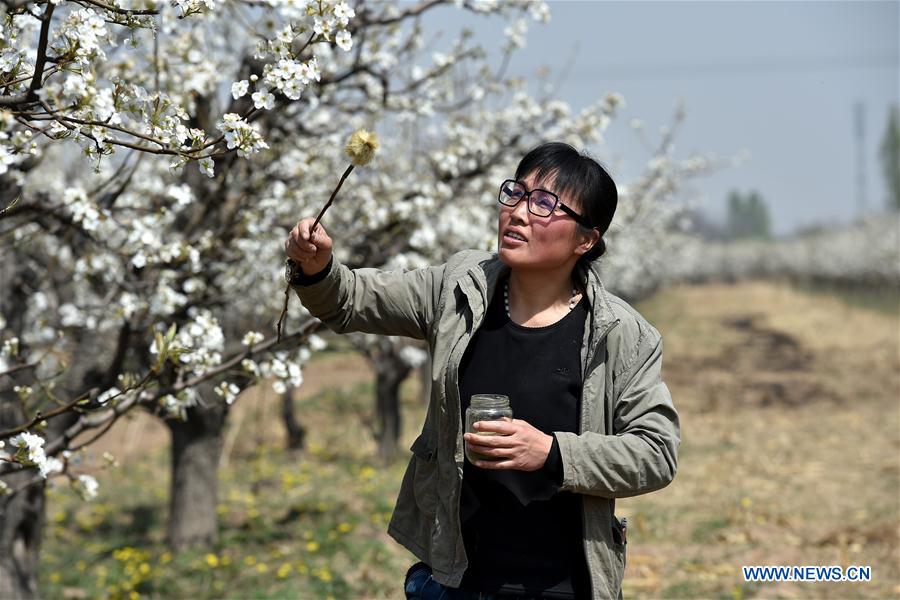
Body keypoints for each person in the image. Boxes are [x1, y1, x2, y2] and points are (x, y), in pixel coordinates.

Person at [284, 142, 680, 599]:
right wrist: (317, 268)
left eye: (545, 203)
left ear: (585, 239)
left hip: (561, 583)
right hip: (455, 579)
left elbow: (656, 454)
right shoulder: (459, 289)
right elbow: (350, 300)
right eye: (516, 193)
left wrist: (551, 454)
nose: (519, 212)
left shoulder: (620, 334)